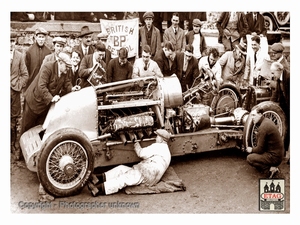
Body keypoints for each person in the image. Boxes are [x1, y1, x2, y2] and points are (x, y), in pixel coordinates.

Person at [87, 129, 171, 196]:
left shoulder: (158, 146)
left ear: (161, 139)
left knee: (124, 178)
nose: (156, 138)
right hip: (152, 176)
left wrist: (136, 143)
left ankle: (99, 189)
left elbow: (141, 153)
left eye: (157, 136)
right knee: (121, 168)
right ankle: (98, 178)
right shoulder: (167, 151)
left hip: (148, 171)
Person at [21, 52, 80, 135]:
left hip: (44, 106)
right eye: (66, 66)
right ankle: (19, 147)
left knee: (39, 130)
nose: (68, 69)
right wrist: (51, 98)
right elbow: (41, 86)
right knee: (26, 129)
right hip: (33, 102)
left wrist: (72, 88)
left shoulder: (64, 71)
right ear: (60, 62)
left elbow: (67, 82)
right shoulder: (48, 67)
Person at [246, 107, 284, 178]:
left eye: (254, 115)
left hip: (274, 157)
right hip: (278, 154)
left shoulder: (263, 127)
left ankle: (270, 170)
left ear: (260, 114)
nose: (252, 117)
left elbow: (260, 150)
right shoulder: (267, 121)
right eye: (251, 115)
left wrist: (251, 149)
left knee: (250, 158)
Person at [10, 32, 29, 160]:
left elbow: (25, 75)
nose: (10, 44)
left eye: (12, 41)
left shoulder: (19, 56)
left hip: (14, 94)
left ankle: (12, 144)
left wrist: (17, 86)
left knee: (13, 119)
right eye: (8, 41)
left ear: (15, 43)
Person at [269, 62, 290, 153]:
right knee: (286, 126)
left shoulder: (289, 77)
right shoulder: (279, 78)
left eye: (273, 73)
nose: (272, 75)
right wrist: (269, 105)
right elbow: (276, 93)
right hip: (285, 105)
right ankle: (284, 150)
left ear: (279, 70)